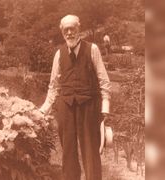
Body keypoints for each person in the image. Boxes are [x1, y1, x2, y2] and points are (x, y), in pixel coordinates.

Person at [38, 15, 111, 180]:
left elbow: (104, 81)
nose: (70, 33)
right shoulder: (59, 54)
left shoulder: (92, 49)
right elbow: (54, 86)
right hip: (66, 107)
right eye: (66, 30)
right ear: (62, 32)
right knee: (68, 153)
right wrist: (43, 110)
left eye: (73, 29)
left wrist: (105, 108)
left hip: (89, 106)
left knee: (91, 152)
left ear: (79, 29)